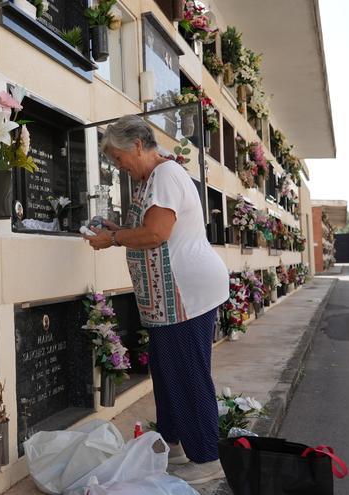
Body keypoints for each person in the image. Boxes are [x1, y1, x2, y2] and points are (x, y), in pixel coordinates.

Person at [83, 115, 228, 485]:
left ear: (136, 145)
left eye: (118, 157)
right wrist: (118, 230)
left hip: (185, 293)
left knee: (188, 374)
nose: (118, 165)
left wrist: (113, 240)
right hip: (166, 299)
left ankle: (208, 457)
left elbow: (157, 233)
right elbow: (146, 229)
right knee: (166, 375)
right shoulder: (151, 179)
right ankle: (175, 447)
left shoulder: (164, 175)